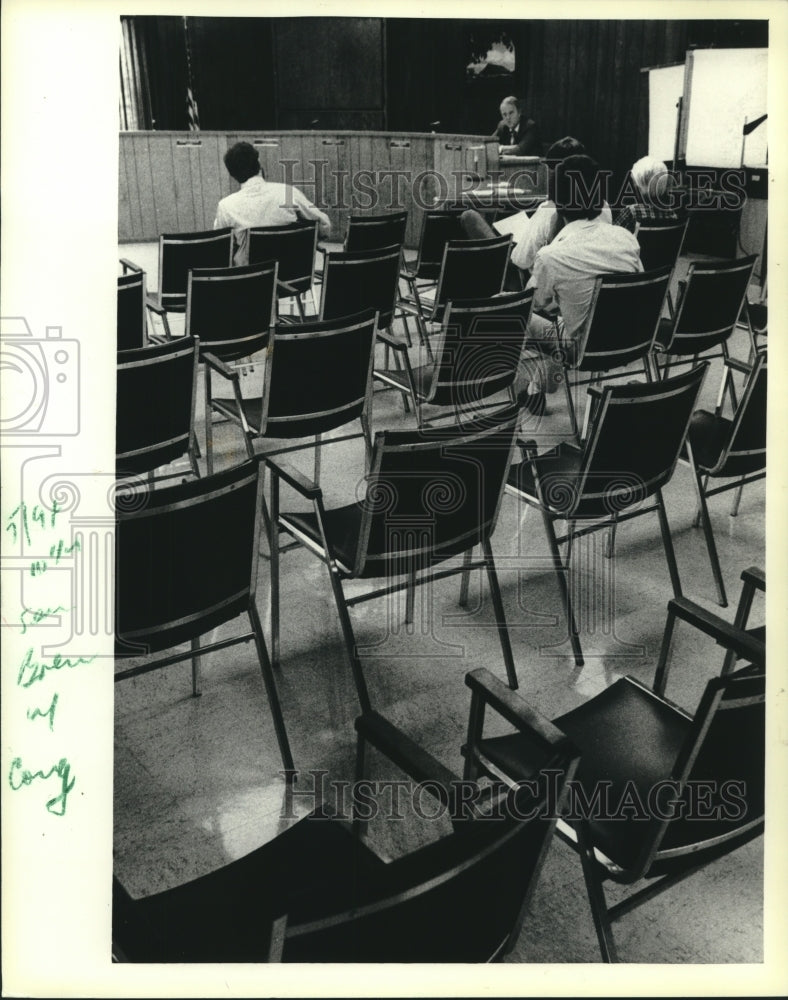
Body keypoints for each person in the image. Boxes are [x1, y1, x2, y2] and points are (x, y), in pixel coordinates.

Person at [516, 154, 643, 413]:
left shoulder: (551, 257)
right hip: (631, 339)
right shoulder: (627, 239)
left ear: (557, 205)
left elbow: (532, 304)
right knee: (565, 318)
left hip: (582, 349)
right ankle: (537, 388)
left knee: (512, 309)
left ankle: (522, 391)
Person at [215, 141, 331, 265]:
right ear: (259, 165)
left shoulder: (226, 206)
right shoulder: (288, 192)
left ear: (233, 175)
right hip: (295, 279)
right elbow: (324, 225)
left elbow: (221, 249)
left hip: (253, 282)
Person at [614, 155, 683, 232]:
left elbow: (611, 237)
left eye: (634, 183)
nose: (634, 186)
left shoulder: (631, 212)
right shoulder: (671, 214)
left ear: (640, 186)